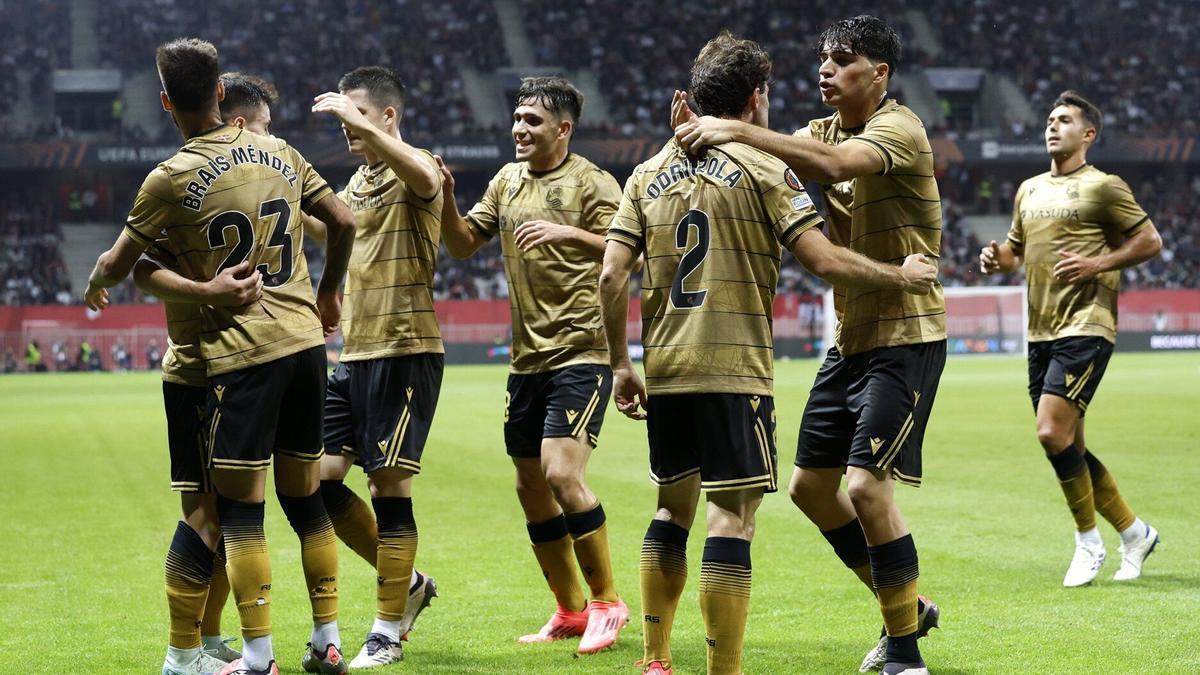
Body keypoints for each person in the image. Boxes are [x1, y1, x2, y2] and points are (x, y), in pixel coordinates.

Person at [605, 31, 936, 675]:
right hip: (755, 360)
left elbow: (612, 273)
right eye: (822, 61)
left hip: (896, 334)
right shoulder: (774, 163)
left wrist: (622, 362)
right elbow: (819, 253)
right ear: (758, 96)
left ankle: (902, 646)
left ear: (882, 72)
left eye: (841, 62)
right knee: (768, 504)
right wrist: (727, 130)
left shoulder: (900, 129)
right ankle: (884, 610)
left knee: (680, 509)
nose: (825, 72)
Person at [83, 38, 357, 675]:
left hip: (240, 356)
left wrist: (99, 280)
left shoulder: (171, 176)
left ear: (164, 101)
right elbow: (342, 222)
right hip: (305, 345)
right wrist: (327, 290)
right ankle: (326, 640)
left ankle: (253, 657)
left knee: (235, 511)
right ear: (221, 95)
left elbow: (122, 264)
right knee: (307, 500)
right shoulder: (281, 152)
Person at [437, 76, 628, 654]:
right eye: (517, 118)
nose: (519, 129)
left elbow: (636, 246)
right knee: (530, 486)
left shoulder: (593, 182)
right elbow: (464, 243)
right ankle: (570, 610)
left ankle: (607, 603)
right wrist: (446, 196)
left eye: (533, 121)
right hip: (527, 360)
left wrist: (569, 232)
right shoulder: (505, 180)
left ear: (563, 128)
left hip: (581, 350)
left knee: (561, 474)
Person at [124, 70, 285, 675]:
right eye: (263, 128)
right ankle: (181, 651)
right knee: (207, 515)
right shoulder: (185, 184)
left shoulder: (240, 182)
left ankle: (207, 638)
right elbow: (138, 264)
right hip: (197, 370)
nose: (270, 139)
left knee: (229, 512)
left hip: (236, 367)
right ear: (237, 121)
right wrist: (204, 290)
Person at [980, 90, 1162, 587]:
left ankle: (1088, 542)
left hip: (1087, 323)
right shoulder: (1029, 189)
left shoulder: (1104, 187)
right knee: (1069, 444)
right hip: (1040, 328)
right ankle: (1135, 532)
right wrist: (998, 259)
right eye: (1049, 119)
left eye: (1064, 120)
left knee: (1049, 432)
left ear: (1088, 134)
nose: (1052, 126)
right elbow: (1016, 252)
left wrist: (1097, 263)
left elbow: (1149, 240)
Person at [306, 65, 444, 668]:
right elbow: (333, 231)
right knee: (319, 480)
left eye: (356, 114)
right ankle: (409, 584)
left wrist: (352, 117)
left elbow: (420, 175)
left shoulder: (422, 166)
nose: (344, 126)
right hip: (355, 353)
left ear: (388, 116)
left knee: (389, 486)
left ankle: (386, 629)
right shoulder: (358, 184)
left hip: (406, 348)